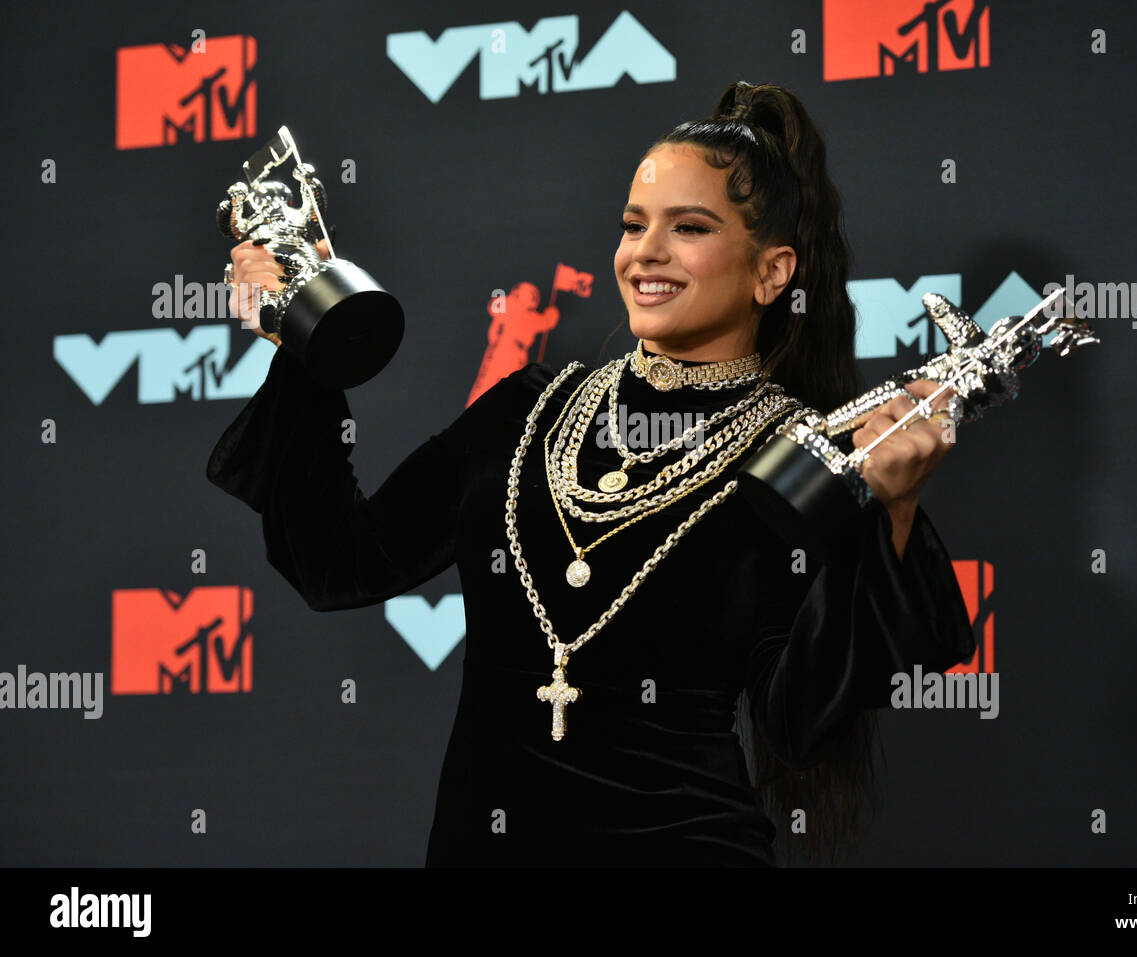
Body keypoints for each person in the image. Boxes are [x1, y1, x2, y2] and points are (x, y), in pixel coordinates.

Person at [207, 81, 975, 867]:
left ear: (772, 273)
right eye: (634, 225)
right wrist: (303, 343)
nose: (646, 251)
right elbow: (341, 562)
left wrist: (894, 509)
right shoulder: (529, 409)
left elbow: (797, 720)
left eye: (690, 227)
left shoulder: (795, 457)